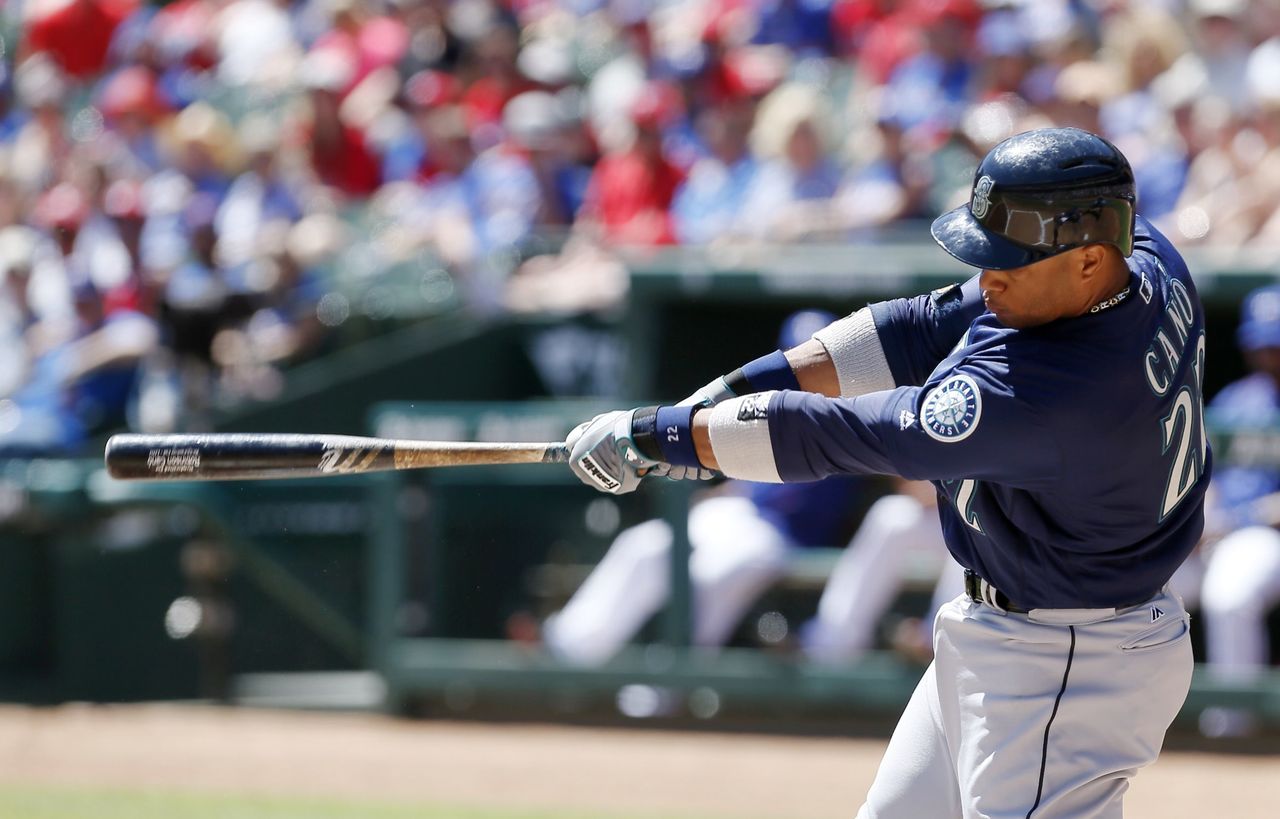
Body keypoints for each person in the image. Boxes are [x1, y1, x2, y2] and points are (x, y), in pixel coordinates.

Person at [566, 127, 1208, 817]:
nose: (987, 277)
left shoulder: (1048, 391)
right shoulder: (1140, 258)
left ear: (1086, 259)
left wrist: (665, 435)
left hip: (1067, 660)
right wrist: (721, 398)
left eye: (1009, 262)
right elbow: (913, 328)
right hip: (1016, 631)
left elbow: (835, 434)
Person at [541, 310, 867, 666]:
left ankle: (670, 682)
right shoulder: (772, 403)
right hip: (740, 514)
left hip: (786, 535)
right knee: (645, 545)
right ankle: (566, 650)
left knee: (711, 576)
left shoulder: (856, 412)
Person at [1195, 283, 1280, 738]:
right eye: (1262, 345)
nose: (1269, 355)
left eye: (1276, 345)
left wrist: (1251, 515)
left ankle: (1233, 727)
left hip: (1263, 536)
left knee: (1231, 593)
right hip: (1221, 532)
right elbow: (1207, 473)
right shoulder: (1237, 398)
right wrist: (1199, 520)